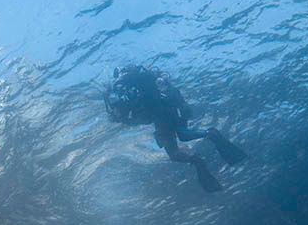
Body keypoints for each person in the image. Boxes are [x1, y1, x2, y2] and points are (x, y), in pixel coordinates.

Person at [105, 65, 246, 192]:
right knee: (177, 148)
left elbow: (139, 115)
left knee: (180, 142)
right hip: (166, 114)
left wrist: (121, 116)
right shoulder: (137, 84)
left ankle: (209, 139)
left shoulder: (127, 86)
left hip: (164, 114)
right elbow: (143, 113)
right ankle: (201, 152)